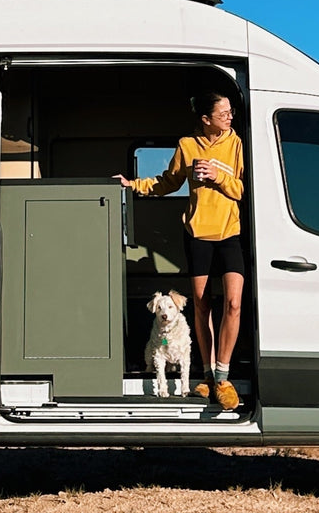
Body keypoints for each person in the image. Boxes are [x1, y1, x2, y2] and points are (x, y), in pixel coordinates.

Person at [114, 92, 245, 411]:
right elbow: (168, 182)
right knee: (201, 307)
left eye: (230, 112)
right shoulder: (187, 145)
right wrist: (133, 185)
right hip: (197, 234)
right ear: (206, 119)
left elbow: (241, 188)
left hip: (230, 232)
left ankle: (223, 377)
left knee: (232, 304)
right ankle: (207, 375)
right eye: (223, 113)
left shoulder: (236, 143)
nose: (230, 117)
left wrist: (218, 176)